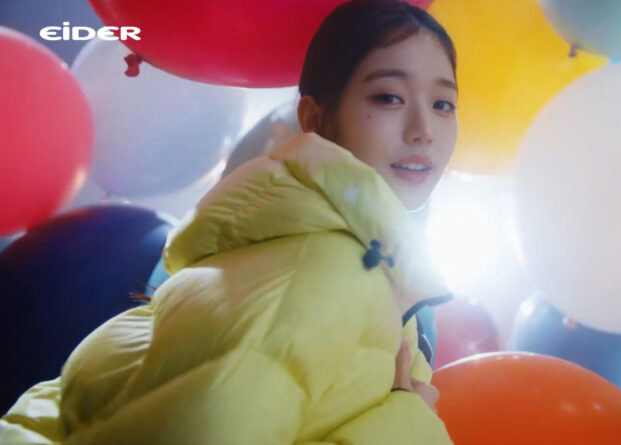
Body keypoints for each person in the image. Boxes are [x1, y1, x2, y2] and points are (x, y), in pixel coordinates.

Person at [0, 0, 458, 443]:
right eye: (389, 97)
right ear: (315, 119)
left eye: (443, 104)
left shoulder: (362, 266)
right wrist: (406, 421)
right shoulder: (323, 268)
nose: (423, 130)